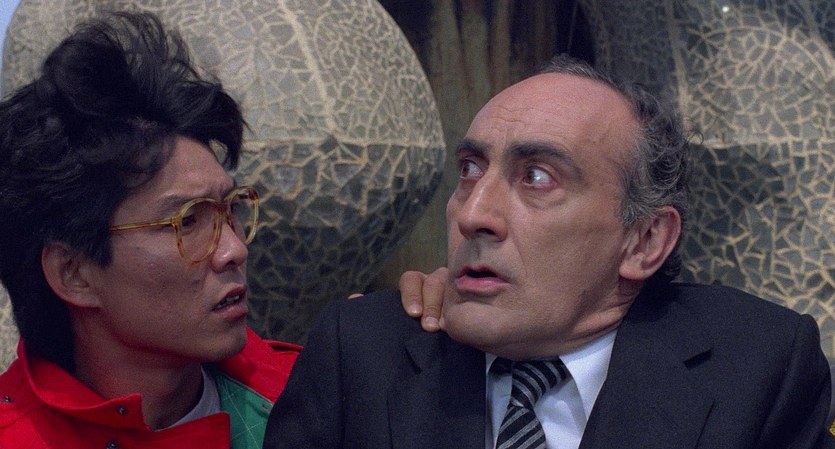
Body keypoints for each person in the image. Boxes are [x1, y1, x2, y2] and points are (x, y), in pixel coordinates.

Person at [263, 54, 835, 448]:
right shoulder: (360, 352)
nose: (472, 214)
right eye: (470, 170)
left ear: (644, 241)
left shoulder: (760, 367)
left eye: (537, 177)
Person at [0, 12, 434, 448]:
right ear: (73, 273)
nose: (233, 250)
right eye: (187, 221)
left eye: (230, 210)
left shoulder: (318, 400)